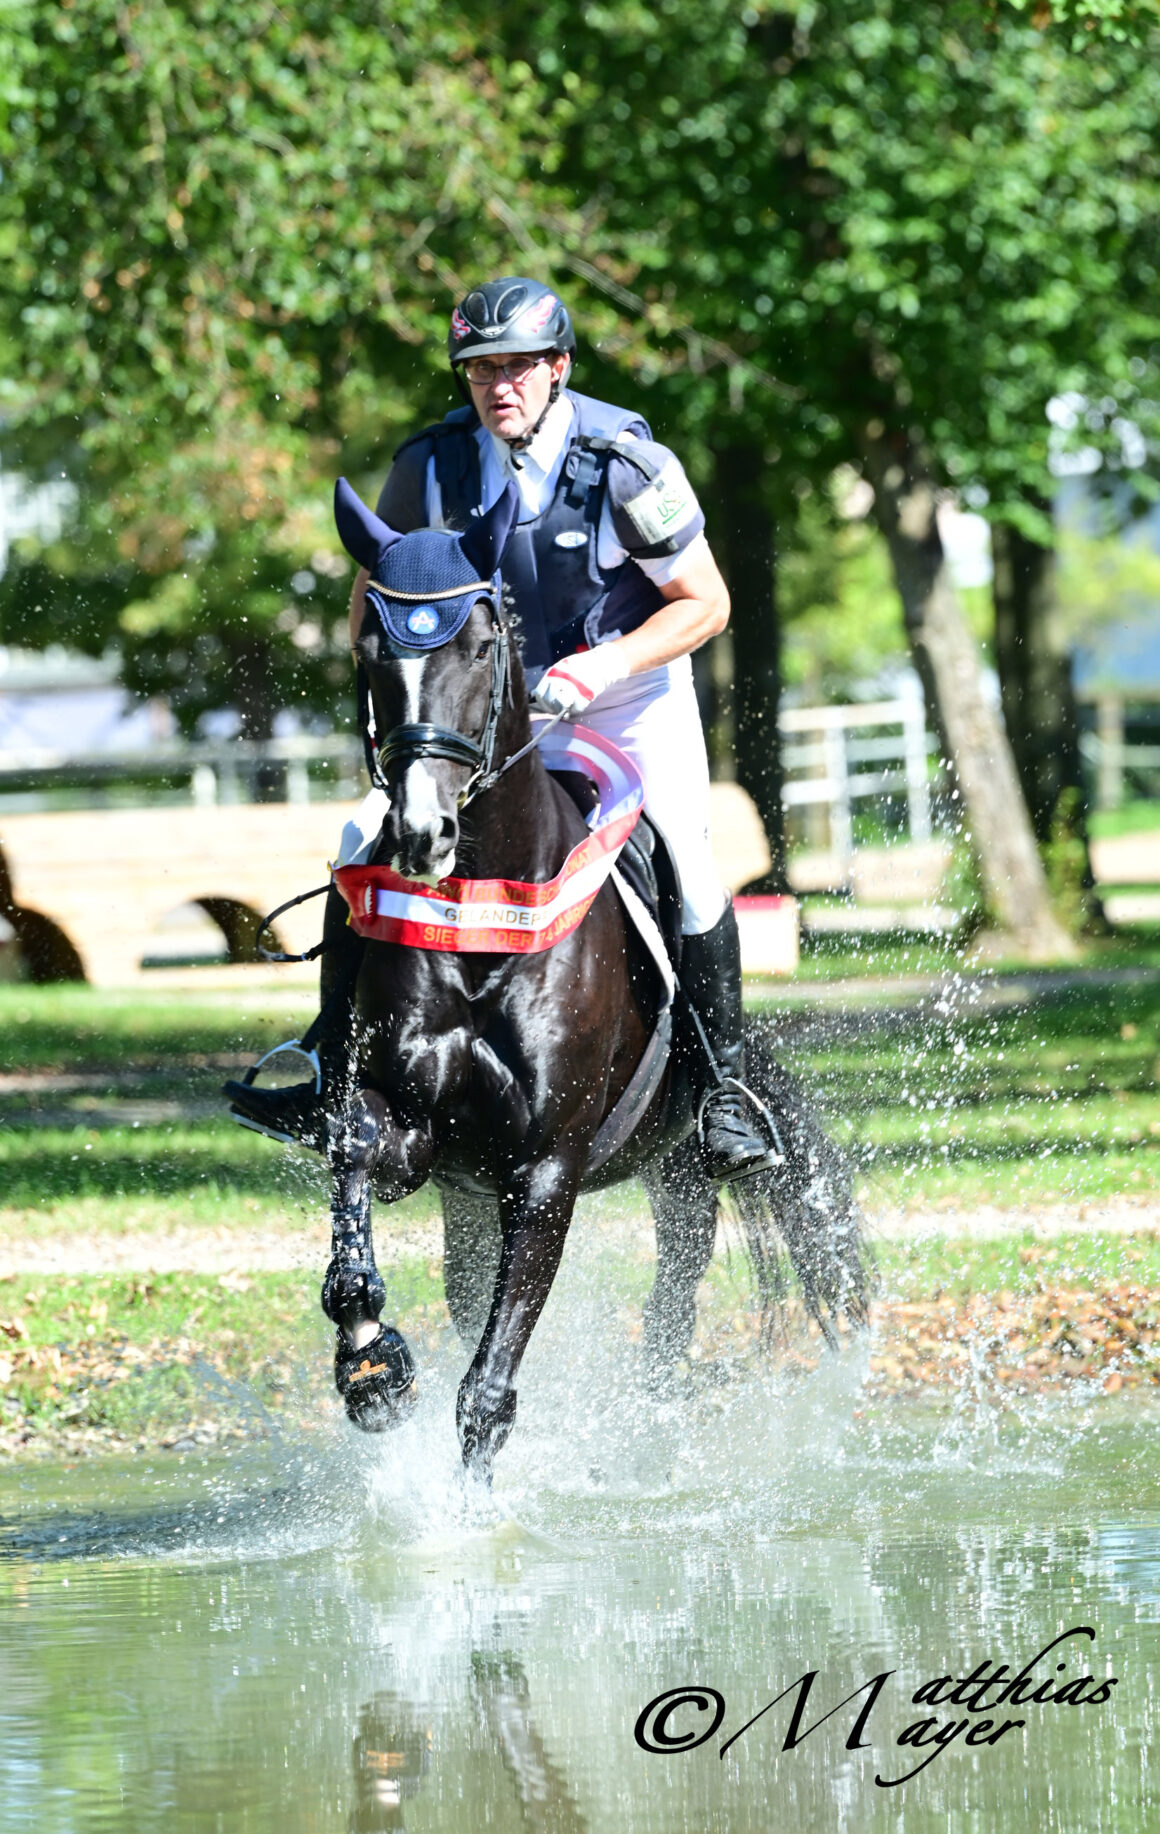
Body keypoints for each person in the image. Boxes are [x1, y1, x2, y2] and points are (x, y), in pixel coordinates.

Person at [229, 276, 772, 1183]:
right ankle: (331, 1064)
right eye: (481, 369)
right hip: (478, 712)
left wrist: (601, 667)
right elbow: (377, 596)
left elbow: (706, 603)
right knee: (362, 836)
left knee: (686, 858)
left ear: (558, 369)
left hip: (624, 698)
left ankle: (724, 1087)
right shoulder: (429, 467)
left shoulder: (628, 467)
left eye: (518, 366)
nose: (499, 386)